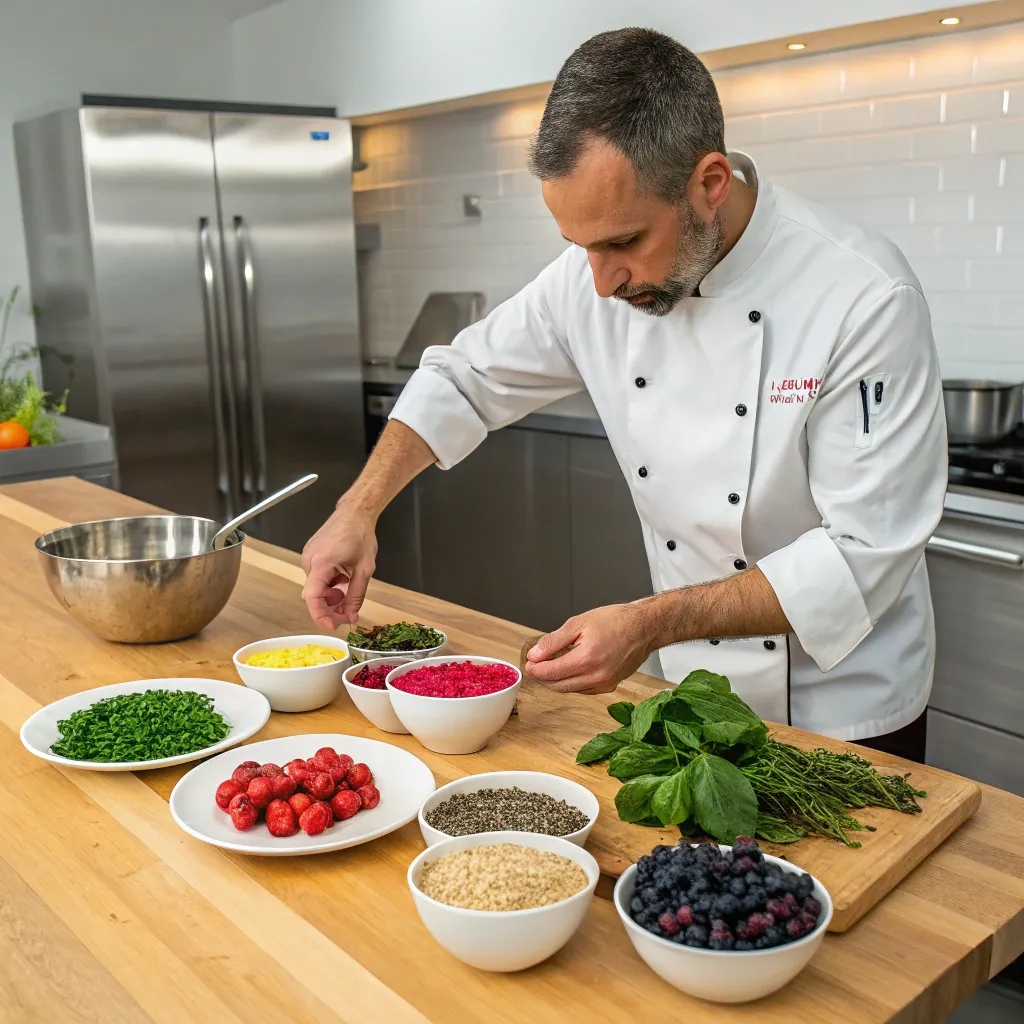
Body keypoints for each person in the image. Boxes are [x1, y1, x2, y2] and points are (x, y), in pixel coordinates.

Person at [301, 28, 946, 762]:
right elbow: (462, 376)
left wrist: (647, 623)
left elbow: (863, 553)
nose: (600, 281)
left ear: (709, 185)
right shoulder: (591, 278)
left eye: (623, 243)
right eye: (582, 247)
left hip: (846, 709)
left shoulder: (862, 294)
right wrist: (357, 509)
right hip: (696, 691)